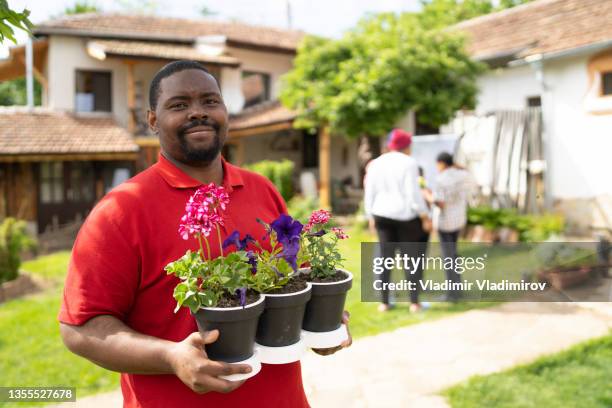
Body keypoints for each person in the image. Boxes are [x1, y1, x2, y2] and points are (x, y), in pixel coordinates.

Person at [58, 60, 351, 408]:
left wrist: (321, 324)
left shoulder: (261, 189)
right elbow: (80, 328)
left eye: (210, 101)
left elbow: (294, 285)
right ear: (152, 120)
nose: (198, 113)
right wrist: (170, 356)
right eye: (179, 105)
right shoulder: (122, 209)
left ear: (225, 111)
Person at [364, 128, 431, 313]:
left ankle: (385, 303)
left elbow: (369, 192)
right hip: (406, 216)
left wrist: (370, 216)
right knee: (412, 260)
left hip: (381, 215)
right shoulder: (410, 163)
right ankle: (414, 303)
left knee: (385, 259)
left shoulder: (376, 163)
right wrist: (425, 216)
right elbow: (413, 194)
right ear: (406, 146)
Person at [432, 152, 472, 302]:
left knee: (448, 257)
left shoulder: (441, 179)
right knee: (454, 255)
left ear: (441, 163)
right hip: (459, 219)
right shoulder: (462, 175)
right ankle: (457, 287)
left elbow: (440, 203)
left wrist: (429, 196)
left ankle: (452, 293)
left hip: (445, 221)